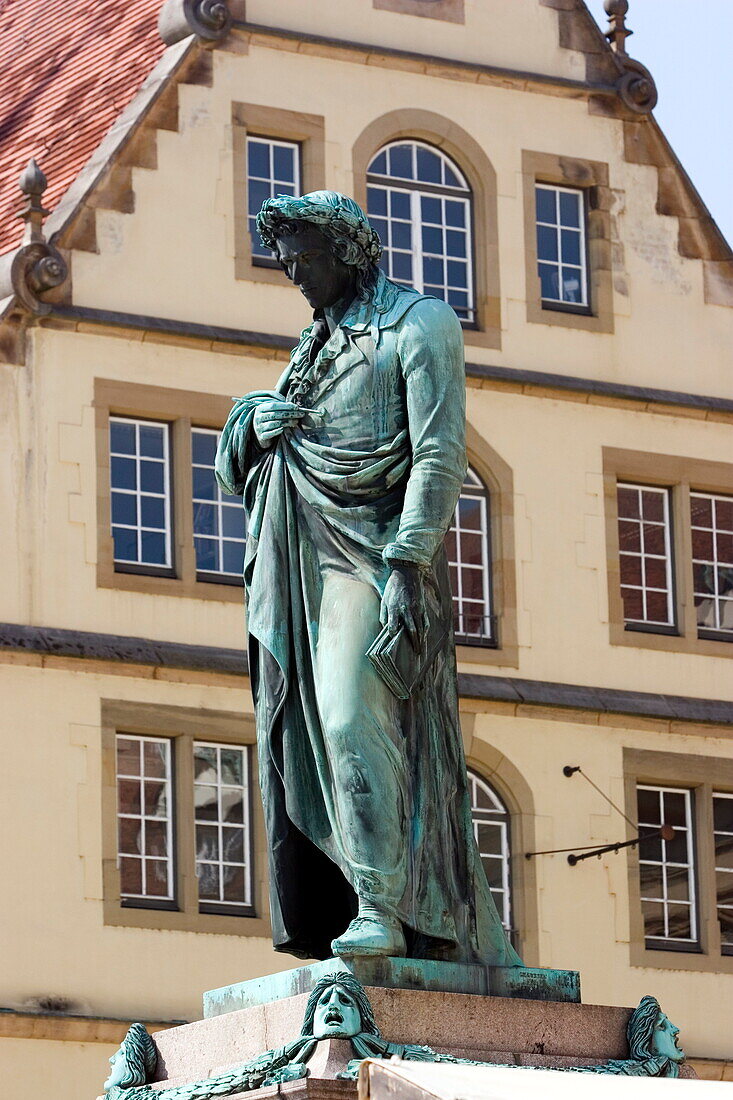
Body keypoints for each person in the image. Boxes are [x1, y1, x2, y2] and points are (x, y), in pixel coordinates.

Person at [216, 191, 520, 966]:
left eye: (305, 258)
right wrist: (253, 422)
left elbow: (440, 453)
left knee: (351, 720)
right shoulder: (313, 344)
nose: (294, 274)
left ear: (347, 250)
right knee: (308, 732)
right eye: (284, 261)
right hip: (302, 556)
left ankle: (382, 908)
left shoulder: (419, 324)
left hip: (374, 556)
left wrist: (410, 563)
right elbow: (249, 459)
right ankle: (358, 904)